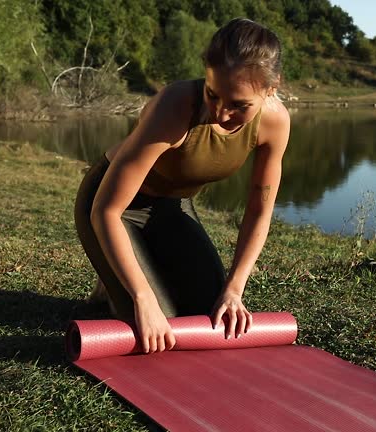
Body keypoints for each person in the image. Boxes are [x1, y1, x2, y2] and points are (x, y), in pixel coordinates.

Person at [74, 18, 291, 354]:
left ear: (271, 90)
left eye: (239, 105)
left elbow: (259, 211)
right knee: (158, 326)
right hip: (112, 208)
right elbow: (106, 210)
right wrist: (143, 299)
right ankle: (116, 282)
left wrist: (235, 289)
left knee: (213, 315)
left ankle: (124, 275)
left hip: (173, 211)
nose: (221, 113)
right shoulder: (175, 105)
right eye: (213, 94)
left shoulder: (275, 123)